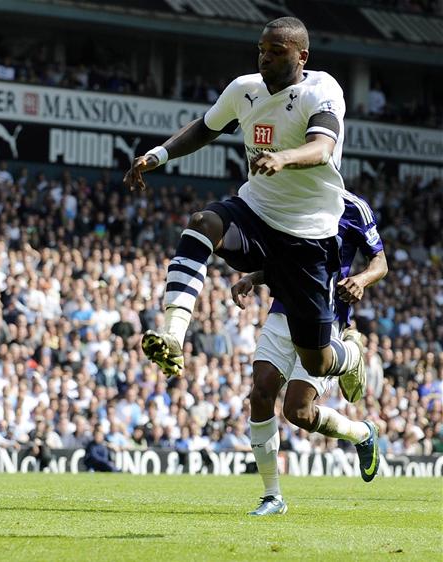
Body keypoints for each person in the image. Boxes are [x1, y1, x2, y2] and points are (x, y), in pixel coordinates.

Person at [123, 18, 369, 423]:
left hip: (308, 235)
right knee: (203, 222)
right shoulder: (244, 89)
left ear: (301, 56)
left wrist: (283, 158)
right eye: (261, 49)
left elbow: (322, 147)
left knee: (319, 359)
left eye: (276, 51)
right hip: (256, 211)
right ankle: (172, 334)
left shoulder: (321, 90)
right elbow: (205, 128)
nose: (265, 57)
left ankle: (351, 354)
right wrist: (159, 155)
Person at [233, 191, 388, 515]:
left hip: (326, 316)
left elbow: (380, 262)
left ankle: (361, 431)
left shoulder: (354, 207)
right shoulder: (290, 197)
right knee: (260, 393)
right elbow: (282, 259)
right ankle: (272, 495)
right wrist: (253, 276)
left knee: (298, 412)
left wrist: (361, 279)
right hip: (282, 311)